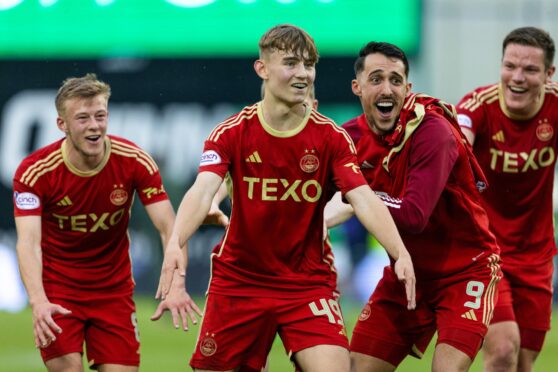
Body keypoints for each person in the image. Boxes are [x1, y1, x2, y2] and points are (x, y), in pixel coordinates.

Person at [155, 24, 416, 372]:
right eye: (291, 63)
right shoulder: (232, 132)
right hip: (240, 281)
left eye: (309, 65)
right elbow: (203, 189)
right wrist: (175, 243)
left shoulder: (331, 138)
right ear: (262, 69)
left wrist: (399, 252)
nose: (303, 74)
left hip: (306, 283)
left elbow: (362, 199)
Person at [325, 41, 502, 372]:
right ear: (357, 86)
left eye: (395, 80)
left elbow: (413, 216)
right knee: (355, 368)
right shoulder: (346, 138)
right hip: (406, 274)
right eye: (376, 79)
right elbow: (311, 197)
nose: (386, 89)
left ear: (408, 88)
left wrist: (357, 196)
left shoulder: (433, 132)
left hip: (464, 271)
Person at [12, 73, 187, 371]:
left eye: (100, 115)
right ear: (62, 125)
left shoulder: (134, 160)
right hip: (58, 290)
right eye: (82, 118)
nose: (94, 126)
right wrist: (38, 301)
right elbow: (28, 242)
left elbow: (170, 227)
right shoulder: (35, 173)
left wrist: (177, 285)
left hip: (112, 291)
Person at [456, 26, 557, 371]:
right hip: (486, 251)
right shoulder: (478, 106)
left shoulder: (556, 108)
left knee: (523, 364)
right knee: (501, 350)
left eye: (530, 70)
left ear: (548, 74)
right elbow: (456, 144)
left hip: (537, 255)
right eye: (509, 66)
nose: (517, 78)